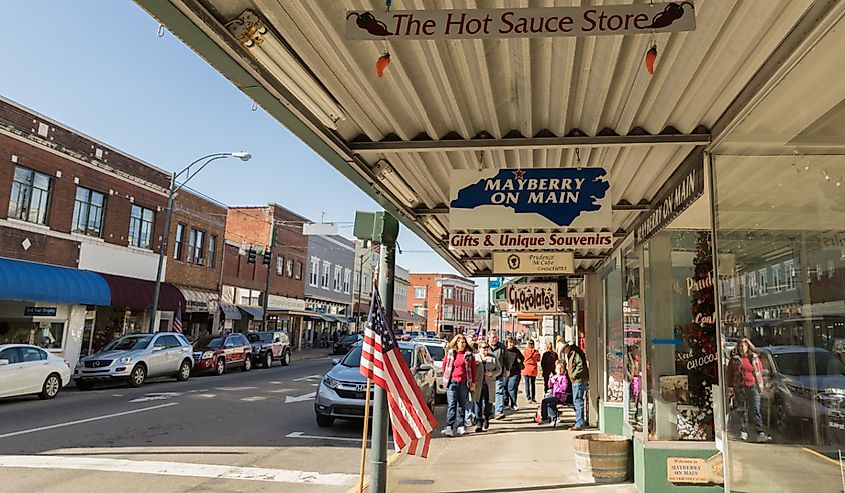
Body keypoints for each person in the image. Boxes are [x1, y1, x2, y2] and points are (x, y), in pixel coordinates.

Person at [727, 338, 772, 442]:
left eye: (743, 346)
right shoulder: (735, 359)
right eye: (740, 346)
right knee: (743, 410)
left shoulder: (754, 358)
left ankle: (760, 432)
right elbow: (730, 374)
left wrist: (761, 384)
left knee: (756, 409)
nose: (741, 349)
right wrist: (730, 387)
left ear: (748, 347)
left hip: (753, 386)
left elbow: (759, 371)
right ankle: (744, 432)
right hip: (740, 387)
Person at [441, 334, 476, 437]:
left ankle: (460, 426)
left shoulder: (469, 355)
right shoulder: (451, 353)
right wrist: (446, 378)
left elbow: (473, 369)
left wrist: (473, 382)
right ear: (456, 343)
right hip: (452, 382)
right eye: (461, 342)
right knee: (452, 404)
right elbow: (444, 367)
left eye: (464, 342)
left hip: (464, 382)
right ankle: (449, 427)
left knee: (462, 405)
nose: (463, 344)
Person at [471, 341, 502, 432]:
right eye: (483, 348)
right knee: (478, 402)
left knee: (488, 403)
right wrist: (474, 365)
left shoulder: (493, 358)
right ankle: (479, 421)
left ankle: (486, 417)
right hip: (478, 384)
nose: (485, 350)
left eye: (486, 348)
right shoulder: (475, 358)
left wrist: (492, 373)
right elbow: (469, 368)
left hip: (489, 384)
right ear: (479, 349)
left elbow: (499, 369)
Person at [562, 342, 589, 431]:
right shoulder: (572, 353)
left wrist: (573, 374)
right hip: (576, 380)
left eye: (564, 350)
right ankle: (579, 421)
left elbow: (580, 365)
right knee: (576, 401)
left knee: (577, 400)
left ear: (567, 347)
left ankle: (579, 424)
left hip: (578, 379)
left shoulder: (575, 353)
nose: (564, 353)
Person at [538, 360, 569, 427]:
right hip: (555, 395)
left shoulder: (564, 378)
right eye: (558, 368)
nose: (559, 370)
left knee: (545, 401)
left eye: (561, 368)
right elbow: (550, 386)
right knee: (548, 402)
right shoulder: (556, 376)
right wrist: (551, 380)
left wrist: (556, 382)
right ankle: (554, 418)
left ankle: (545, 418)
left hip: (560, 396)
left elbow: (563, 389)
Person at [487, 331, 508, 419]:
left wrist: (507, 369)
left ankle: (498, 411)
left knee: (499, 391)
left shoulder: (502, 347)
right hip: (487, 374)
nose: (494, 339)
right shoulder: (485, 347)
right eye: (492, 337)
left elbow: (507, 358)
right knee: (488, 393)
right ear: (488, 338)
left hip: (499, 373)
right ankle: (489, 411)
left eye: (495, 337)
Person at [502, 336, 525, 412]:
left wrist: (519, 361)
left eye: (512, 342)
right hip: (505, 372)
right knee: (504, 388)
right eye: (510, 342)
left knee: (511, 388)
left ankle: (513, 404)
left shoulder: (516, 351)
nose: (511, 344)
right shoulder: (503, 351)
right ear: (506, 343)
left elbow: (522, 358)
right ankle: (505, 403)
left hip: (515, 372)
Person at [521, 339, 541, 403]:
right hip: (533, 369)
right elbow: (538, 360)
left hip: (526, 369)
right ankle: (533, 397)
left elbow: (522, 359)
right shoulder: (536, 352)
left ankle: (528, 397)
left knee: (527, 384)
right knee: (533, 384)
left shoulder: (525, 351)